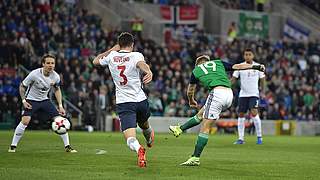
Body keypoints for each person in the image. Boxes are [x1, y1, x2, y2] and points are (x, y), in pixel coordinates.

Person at [171, 55, 265, 166]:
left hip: (216, 93)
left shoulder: (196, 70)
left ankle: (195, 158)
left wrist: (191, 101)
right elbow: (239, 66)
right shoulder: (218, 63)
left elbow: (190, 91)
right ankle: (180, 129)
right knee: (201, 115)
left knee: (205, 127)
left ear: (198, 64)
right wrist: (256, 67)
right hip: (229, 94)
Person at [92, 32, 154, 168]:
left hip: (124, 103)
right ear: (132, 44)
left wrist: (112, 49)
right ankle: (149, 138)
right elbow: (141, 64)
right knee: (145, 125)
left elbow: (95, 61)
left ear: (119, 44)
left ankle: (139, 149)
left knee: (130, 138)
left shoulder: (112, 56)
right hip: (141, 100)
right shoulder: (136, 55)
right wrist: (148, 71)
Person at [8, 54, 77, 153]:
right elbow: (22, 86)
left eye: (52, 63)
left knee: (59, 120)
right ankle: (13, 146)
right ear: (43, 64)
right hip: (31, 100)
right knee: (25, 121)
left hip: (44, 100)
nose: (50, 65)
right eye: (48, 63)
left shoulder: (56, 76)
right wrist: (24, 100)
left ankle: (67, 146)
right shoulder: (34, 74)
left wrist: (60, 106)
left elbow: (57, 90)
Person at [233, 48, 265, 145]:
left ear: (253, 56)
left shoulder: (258, 66)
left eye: (249, 54)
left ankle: (259, 137)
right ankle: (241, 138)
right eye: (246, 54)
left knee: (254, 112)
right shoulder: (240, 66)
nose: (247, 56)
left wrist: (262, 91)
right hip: (243, 94)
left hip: (254, 94)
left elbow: (263, 79)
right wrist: (227, 86)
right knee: (241, 114)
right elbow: (234, 79)